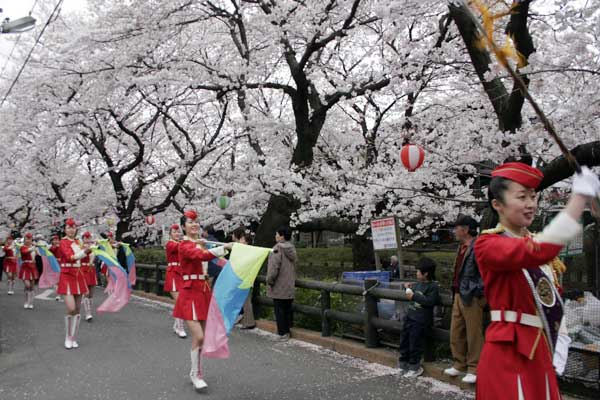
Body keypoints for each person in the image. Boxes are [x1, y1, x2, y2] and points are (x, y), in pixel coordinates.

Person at [474, 162, 600, 400]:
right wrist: (578, 199)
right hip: (508, 351)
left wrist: (561, 341)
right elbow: (537, 250)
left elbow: (552, 298)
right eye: (522, 197)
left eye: (533, 196)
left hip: (541, 350)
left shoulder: (537, 243)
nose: (531, 204)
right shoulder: (487, 244)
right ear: (497, 205)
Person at [172, 210, 233, 392]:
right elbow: (202, 257)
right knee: (198, 336)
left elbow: (212, 259)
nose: (194, 224)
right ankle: (195, 374)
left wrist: (233, 262)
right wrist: (225, 247)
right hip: (190, 291)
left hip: (203, 291)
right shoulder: (184, 245)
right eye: (190, 222)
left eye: (196, 221)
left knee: (203, 338)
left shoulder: (200, 244)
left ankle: (198, 372)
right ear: (184, 226)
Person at [444, 215, 485, 384]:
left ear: (465, 229)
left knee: (474, 333)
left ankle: (474, 367)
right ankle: (459, 363)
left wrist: (477, 291)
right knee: (456, 330)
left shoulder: (478, 247)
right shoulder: (461, 247)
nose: (454, 231)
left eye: (457, 228)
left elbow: (485, 273)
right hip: (459, 293)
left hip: (472, 295)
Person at [398, 257, 440, 378]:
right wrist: (407, 288)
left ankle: (414, 367)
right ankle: (403, 364)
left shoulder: (433, 287)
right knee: (404, 340)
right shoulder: (417, 285)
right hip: (410, 316)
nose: (416, 273)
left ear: (425, 273)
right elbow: (412, 294)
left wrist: (413, 296)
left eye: (418, 271)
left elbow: (430, 301)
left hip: (421, 320)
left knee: (415, 343)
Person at [56, 218, 91, 349]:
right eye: (69, 227)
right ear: (65, 229)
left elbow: (85, 257)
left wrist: (94, 248)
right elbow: (71, 256)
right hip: (66, 275)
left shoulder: (78, 242)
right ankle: (67, 337)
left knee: (77, 309)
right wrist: (86, 251)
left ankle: (73, 337)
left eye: (73, 227)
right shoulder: (63, 242)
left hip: (78, 276)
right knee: (70, 308)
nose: (71, 229)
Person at [266, 226, 297, 341]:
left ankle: (283, 333)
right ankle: (287, 332)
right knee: (287, 309)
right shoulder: (292, 248)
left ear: (282, 236)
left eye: (277, 234)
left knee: (279, 310)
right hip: (289, 283)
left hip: (279, 284)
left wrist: (269, 280)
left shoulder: (277, 249)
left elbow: (274, 268)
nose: (275, 236)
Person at [163, 224, 187, 338]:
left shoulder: (181, 243)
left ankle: (177, 325)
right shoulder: (170, 244)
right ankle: (180, 327)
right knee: (180, 302)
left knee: (182, 301)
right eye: (174, 232)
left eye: (178, 232)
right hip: (173, 273)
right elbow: (178, 247)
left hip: (181, 273)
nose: (177, 234)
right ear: (170, 234)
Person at [232, 227, 255, 329]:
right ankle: (246, 321)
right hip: (242, 278)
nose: (240, 241)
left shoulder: (248, 252)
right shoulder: (246, 251)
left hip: (245, 279)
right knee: (243, 301)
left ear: (247, 242)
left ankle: (249, 322)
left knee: (246, 302)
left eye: (242, 240)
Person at [19, 232, 39, 309]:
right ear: (24, 239)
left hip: (33, 268)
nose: (28, 240)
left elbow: (39, 255)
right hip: (25, 267)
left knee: (31, 286)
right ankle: (26, 301)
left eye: (30, 239)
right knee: (27, 285)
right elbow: (25, 252)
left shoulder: (34, 247)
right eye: (27, 239)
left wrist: (39, 249)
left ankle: (31, 302)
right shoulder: (23, 247)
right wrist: (33, 248)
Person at [80, 231, 97, 322]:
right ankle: (88, 313)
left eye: (89, 238)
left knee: (91, 294)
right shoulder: (80, 247)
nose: (87, 240)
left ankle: (90, 311)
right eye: (86, 238)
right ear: (82, 239)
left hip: (92, 270)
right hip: (83, 270)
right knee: (86, 293)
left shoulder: (94, 248)